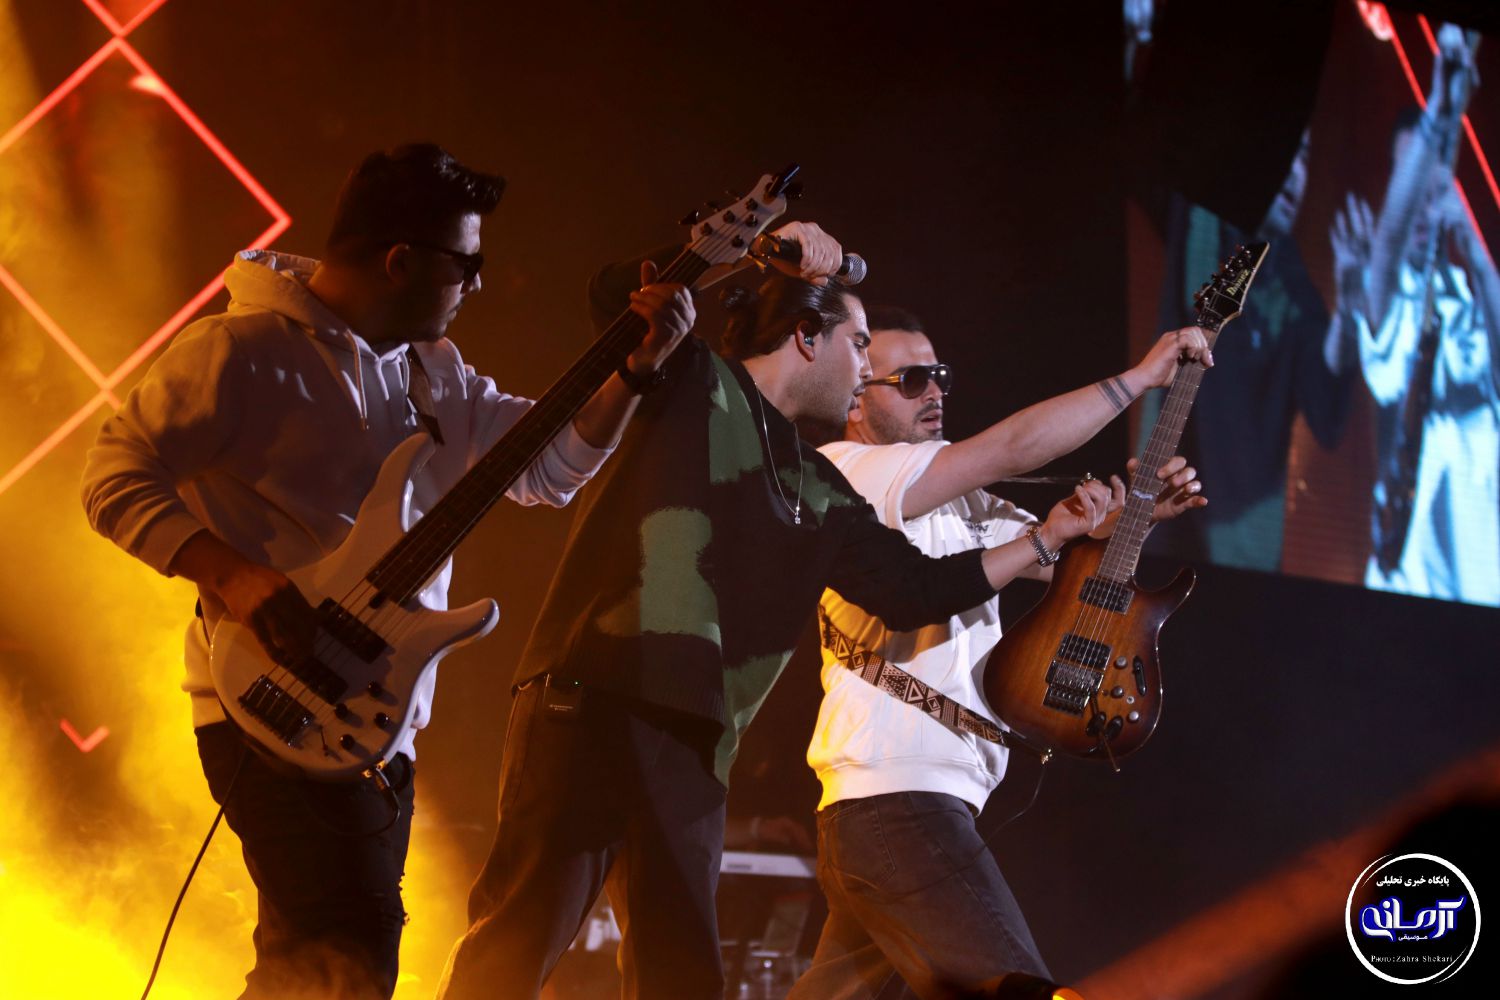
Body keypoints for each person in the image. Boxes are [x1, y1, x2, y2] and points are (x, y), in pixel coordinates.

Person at [437, 224, 1131, 1000]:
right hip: (590, 704)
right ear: (805, 335)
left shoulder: (817, 485)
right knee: (518, 943)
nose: (865, 368)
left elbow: (917, 591)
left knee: (681, 980)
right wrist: (753, 244)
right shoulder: (694, 379)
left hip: (696, 742)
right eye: (858, 344)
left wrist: (1046, 539)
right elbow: (615, 289)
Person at [79, 143, 694, 1000]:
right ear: (401, 260)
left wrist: (633, 372)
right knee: (345, 962)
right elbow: (111, 478)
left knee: (320, 964)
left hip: (375, 717)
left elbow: (551, 469)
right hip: (264, 701)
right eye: (465, 264)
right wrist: (235, 577)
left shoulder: (433, 372)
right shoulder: (238, 350)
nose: (478, 283)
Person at [789, 306, 1207, 999]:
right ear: (856, 399)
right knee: (1019, 989)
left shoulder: (966, 504)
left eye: (940, 376)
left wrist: (1138, 515)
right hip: (900, 798)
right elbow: (1013, 447)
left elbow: (1071, 570)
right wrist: (1139, 380)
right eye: (912, 379)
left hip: (890, 810)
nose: (935, 392)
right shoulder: (848, 470)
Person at [1331, 23, 1500, 606]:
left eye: (1434, 186)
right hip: (1406, 596)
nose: (1424, 203)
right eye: (1412, 181)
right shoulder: (1394, 295)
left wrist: (1476, 251)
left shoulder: (1476, 295)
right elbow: (1388, 250)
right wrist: (1439, 115)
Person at [1149, 128, 1355, 572]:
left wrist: (1350, 312)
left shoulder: (1295, 287)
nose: (1295, 174)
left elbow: (1327, 416)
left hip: (1242, 547)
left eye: (1304, 158)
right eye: (1285, 155)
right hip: (1155, 507)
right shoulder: (1199, 218)